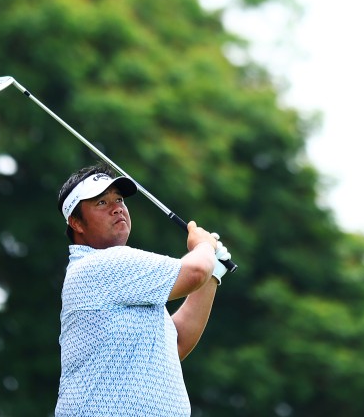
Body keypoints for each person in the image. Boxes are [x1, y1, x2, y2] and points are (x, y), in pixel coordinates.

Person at [54, 163, 231, 417]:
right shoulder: (98, 265)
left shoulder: (125, 281)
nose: (117, 208)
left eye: (119, 199)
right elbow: (195, 272)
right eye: (101, 203)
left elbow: (177, 342)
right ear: (76, 223)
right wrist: (203, 246)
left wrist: (213, 273)